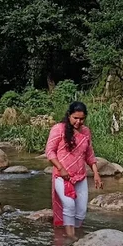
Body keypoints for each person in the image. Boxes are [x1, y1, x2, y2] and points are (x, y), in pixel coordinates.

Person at [45, 101, 103, 238]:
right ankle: (70, 237)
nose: (78, 121)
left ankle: (77, 234)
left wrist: (96, 173)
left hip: (80, 176)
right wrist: (61, 168)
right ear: (69, 116)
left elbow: (89, 154)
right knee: (69, 205)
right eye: (75, 118)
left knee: (81, 210)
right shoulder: (58, 129)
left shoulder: (86, 132)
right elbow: (50, 152)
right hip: (62, 176)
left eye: (81, 119)